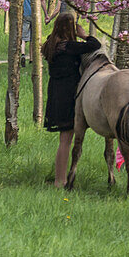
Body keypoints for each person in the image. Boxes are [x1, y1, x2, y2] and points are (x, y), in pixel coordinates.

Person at [43, 13, 101, 188]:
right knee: (66, 140)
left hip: (55, 92)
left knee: (64, 139)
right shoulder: (69, 46)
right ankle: (60, 180)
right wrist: (84, 35)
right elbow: (95, 45)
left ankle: (59, 178)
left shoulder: (51, 44)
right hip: (68, 94)